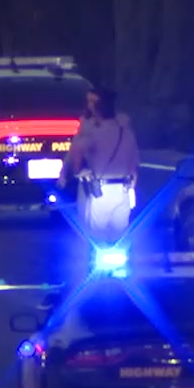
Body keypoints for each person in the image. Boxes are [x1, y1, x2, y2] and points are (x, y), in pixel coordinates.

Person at [59, 87, 140, 272]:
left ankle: (96, 279)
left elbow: (76, 152)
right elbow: (135, 166)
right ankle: (121, 275)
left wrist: (78, 171)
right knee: (120, 238)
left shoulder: (93, 133)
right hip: (123, 191)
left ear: (97, 108)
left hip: (99, 192)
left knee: (96, 239)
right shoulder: (126, 133)